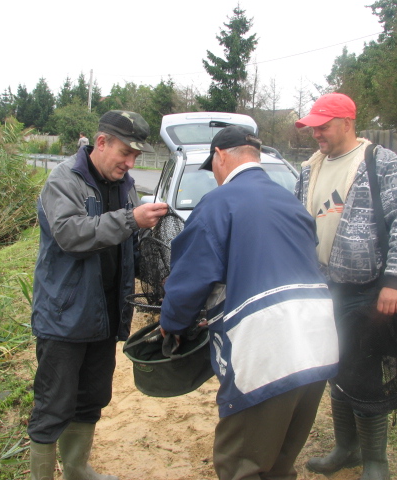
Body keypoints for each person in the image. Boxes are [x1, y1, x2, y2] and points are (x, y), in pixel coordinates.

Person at [159, 125, 339, 480]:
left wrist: (173, 324)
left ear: (221, 156)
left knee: (241, 463)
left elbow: (189, 279)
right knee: (280, 460)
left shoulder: (218, 203)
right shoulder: (289, 201)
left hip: (267, 351)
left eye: (213, 169)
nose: (214, 178)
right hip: (319, 344)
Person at [28, 110, 168, 480]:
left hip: (105, 315)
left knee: (91, 400)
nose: (130, 162)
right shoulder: (63, 180)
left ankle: (76, 469)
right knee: (52, 406)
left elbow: (131, 247)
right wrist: (130, 220)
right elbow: (70, 234)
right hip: (64, 317)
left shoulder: (126, 186)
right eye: (125, 152)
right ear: (101, 142)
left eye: (136, 156)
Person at [294, 93, 397, 480]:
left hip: (367, 288)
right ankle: (345, 449)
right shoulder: (310, 168)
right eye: (313, 125)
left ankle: (375, 462)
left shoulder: (380, 163)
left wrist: (396, 280)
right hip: (323, 287)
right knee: (335, 367)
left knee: (363, 373)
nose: (316, 132)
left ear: (348, 123)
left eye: (324, 125)